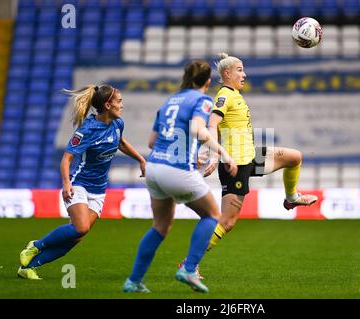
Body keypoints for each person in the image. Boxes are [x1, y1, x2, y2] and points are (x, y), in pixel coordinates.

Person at [123, 60, 237, 293]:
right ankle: (189, 269)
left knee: (160, 226)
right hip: (177, 170)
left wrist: (187, 150)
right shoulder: (202, 100)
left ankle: (133, 281)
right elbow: (197, 129)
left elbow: (152, 142)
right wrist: (223, 153)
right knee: (213, 215)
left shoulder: (169, 101)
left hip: (154, 168)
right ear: (207, 81)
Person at [18, 84, 146, 280]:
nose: (122, 105)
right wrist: (67, 183)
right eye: (119, 101)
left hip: (99, 190)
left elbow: (120, 142)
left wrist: (141, 159)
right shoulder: (87, 130)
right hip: (79, 184)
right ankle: (36, 245)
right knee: (81, 227)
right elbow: (66, 159)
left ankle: (29, 268)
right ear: (107, 105)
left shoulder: (117, 124)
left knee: (77, 236)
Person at [201, 52, 318, 264]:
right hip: (235, 165)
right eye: (239, 70)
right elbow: (211, 125)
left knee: (294, 157)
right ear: (227, 73)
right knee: (227, 222)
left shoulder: (235, 94)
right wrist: (213, 155)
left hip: (250, 156)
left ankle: (291, 199)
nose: (244, 74)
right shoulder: (225, 96)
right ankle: (190, 264)